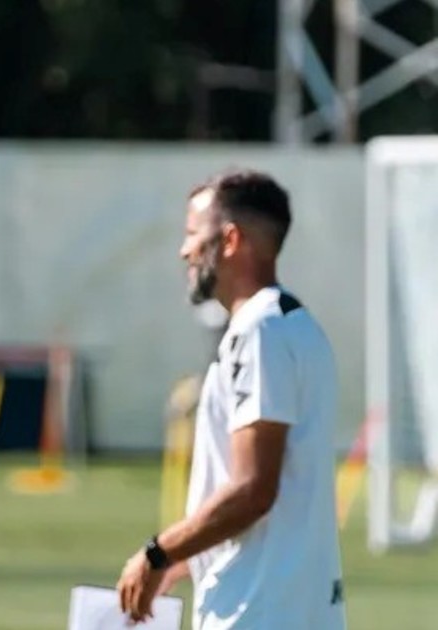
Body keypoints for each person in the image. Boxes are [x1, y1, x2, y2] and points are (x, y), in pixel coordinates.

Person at [115, 169, 346, 629]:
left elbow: (253, 489)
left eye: (192, 234)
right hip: (293, 604)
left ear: (231, 240)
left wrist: (159, 552)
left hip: (260, 610)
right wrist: (190, 557)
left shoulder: (261, 330)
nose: (184, 251)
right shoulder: (292, 324)